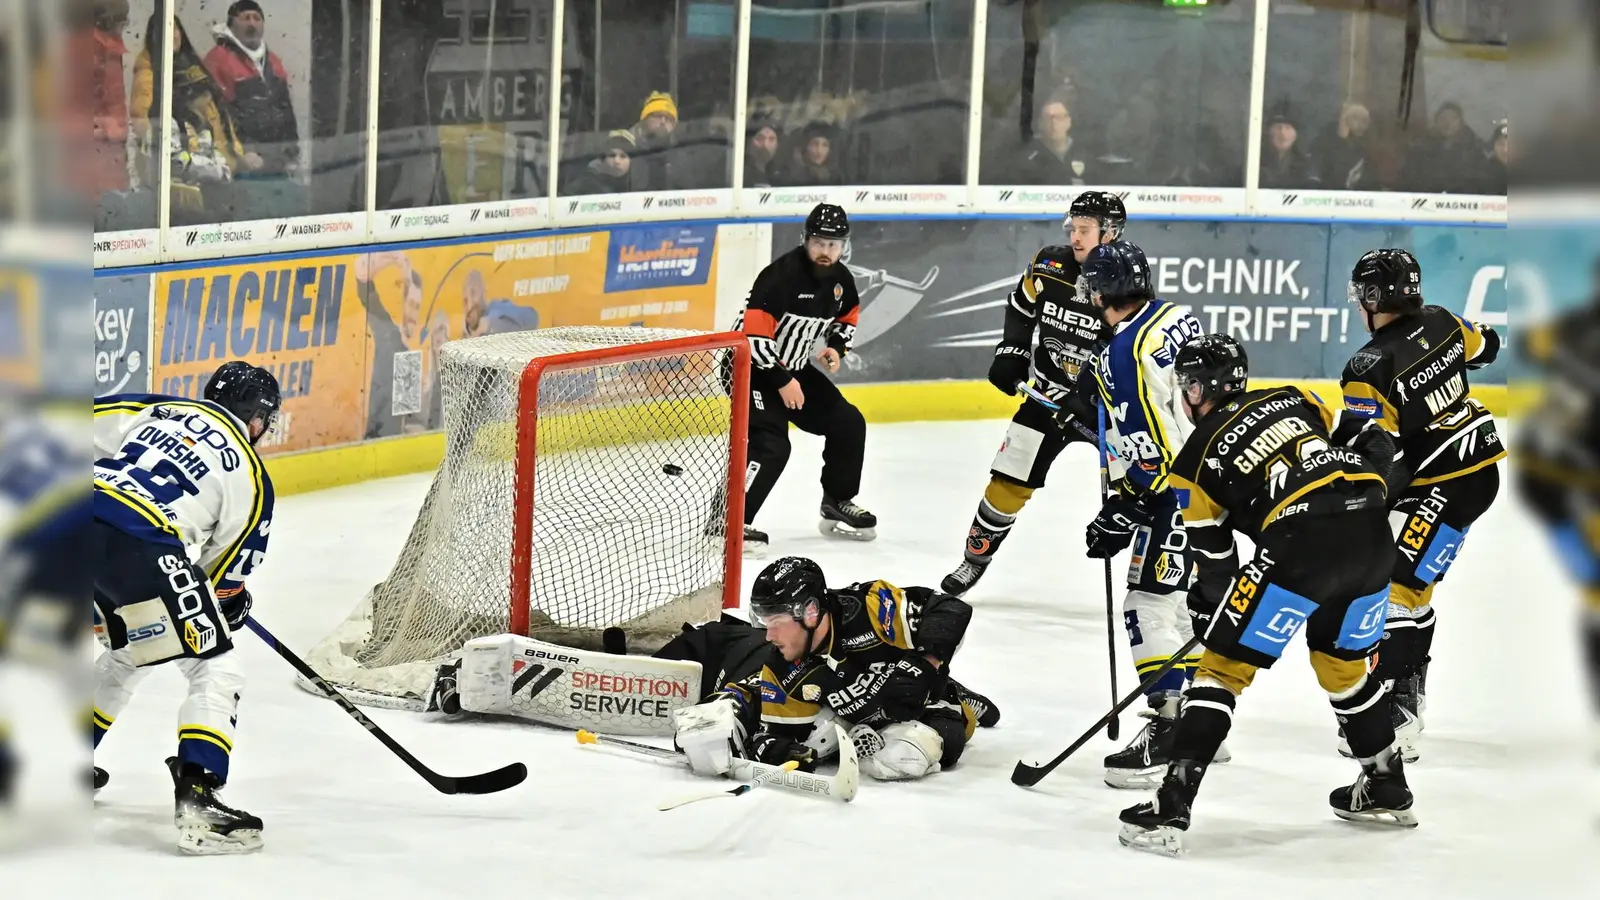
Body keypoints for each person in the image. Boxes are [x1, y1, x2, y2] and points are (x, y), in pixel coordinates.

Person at [1117, 334, 1412, 858]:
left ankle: (1170, 807)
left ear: (1197, 389)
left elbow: (1216, 562)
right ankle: (1386, 782)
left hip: (1300, 545)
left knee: (1218, 673)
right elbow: (1374, 436)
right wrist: (1371, 492)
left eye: (1186, 384)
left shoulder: (1189, 463)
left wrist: (1211, 617)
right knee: (1343, 668)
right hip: (1372, 538)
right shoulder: (1296, 397)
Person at [90, 362, 280, 855]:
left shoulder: (161, 406)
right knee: (215, 664)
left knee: (130, 650)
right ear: (256, 418)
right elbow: (221, 586)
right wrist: (232, 605)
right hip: (141, 539)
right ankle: (199, 795)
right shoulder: (252, 476)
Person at [1335, 248, 1503, 760]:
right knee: (1419, 587)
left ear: (1370, 297)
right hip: (1480, 474)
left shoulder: (1369, 366)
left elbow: (1377, 455)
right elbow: (1489, 345)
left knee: (1396, 587)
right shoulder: (1444, 320)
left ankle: (1395, 714)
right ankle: (1409, 695)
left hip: (1441, 483)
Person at [1078, 239, 1222, 788]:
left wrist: (1127, 503)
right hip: (1216, 472)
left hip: (1179, 493)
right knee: (1186, 602)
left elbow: (1153, 446)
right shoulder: (1175, 316)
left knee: (1149, 601)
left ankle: (1169, 732)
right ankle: (1203, 720)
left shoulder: (1124, 353)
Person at [941, 191, 1125, 597]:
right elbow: (1021, 307)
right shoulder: (1049, 264)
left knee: (1140, 490)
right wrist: (1012, 351)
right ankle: (974, 561)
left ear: (1109, 234)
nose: (1075, 237)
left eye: (1085, 230)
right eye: (1072, 228)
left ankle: (1160, 580)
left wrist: (1095, 391)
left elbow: (1130, 344)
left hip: (1106, 409)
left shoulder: (1125, 277)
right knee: (1009, 479)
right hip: (1047, 395)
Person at [667, 557, 996, 782]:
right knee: (887, 757)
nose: (769, 635)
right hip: (859, 716)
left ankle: (955, 691)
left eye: (777, 623)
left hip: (918, 699)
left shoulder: (868, 609)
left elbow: (950, 609)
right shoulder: (781, 667)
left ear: (810, 613)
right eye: (764, 623)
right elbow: (780, 736)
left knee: (912, 753)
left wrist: (926, 667)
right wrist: (780, 749)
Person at [730, 203, 872, 554]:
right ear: (806, 241)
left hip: (790, 368)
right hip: (749, 368)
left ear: (844, 247)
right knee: (773, 445)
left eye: (834, 245)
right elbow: (754, 338)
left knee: (849, 423)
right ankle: (729, 521)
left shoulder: (841, 281)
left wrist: (836, 347)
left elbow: (848, 316)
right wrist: (782, 380)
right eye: (820, 243)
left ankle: (837, 500)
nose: (826, 252)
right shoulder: (779, 277)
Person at [1514, 263, 1600, 729]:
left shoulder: (1576, 326)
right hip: (1561, 476)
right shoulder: (1580, 329)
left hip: (1553, 471)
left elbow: (1534, 343)